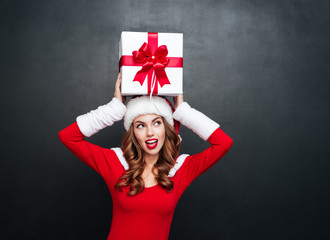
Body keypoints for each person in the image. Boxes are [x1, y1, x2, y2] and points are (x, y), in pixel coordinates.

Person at [58, 73, 233, 240]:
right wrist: (114, 109)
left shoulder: (181, 169)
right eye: (140, 125)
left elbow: (223, 143)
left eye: (157, 123)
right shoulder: (114, 162)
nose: (150, 132)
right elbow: (68, 136)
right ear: (133, 132)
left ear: (167, 127)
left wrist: (182, 111)